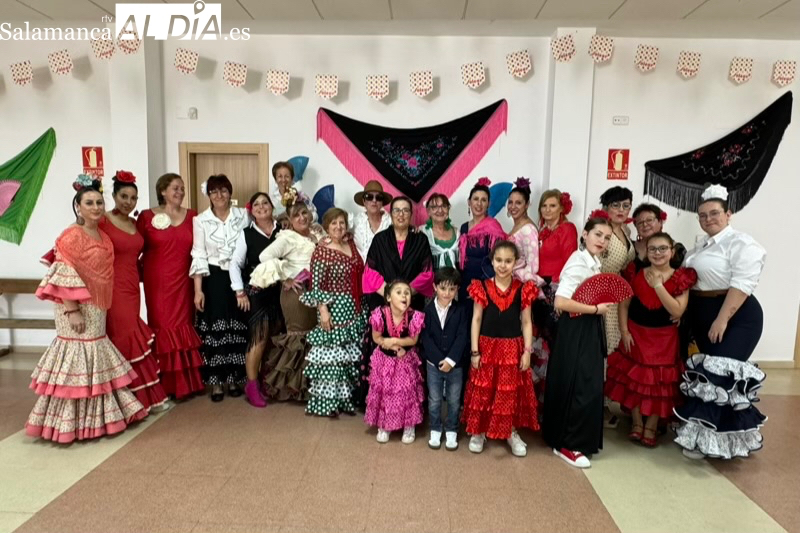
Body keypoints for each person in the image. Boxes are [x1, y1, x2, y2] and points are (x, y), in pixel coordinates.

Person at [27, 176, 147, 442]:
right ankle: (71, 423)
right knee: (77, 359)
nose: (95, 207)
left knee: (95, 356)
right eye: (89, 203)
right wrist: (72, 310)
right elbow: (63, 271)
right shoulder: (71, 235)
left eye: (98, 202)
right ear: (78, 207)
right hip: (76, 307)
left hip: (98, 303)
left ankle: (98, 419)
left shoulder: (103, 234)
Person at [676, 184, 767, 460]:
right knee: (713, 380)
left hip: (735, 316)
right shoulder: (700, 245)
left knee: (719, 376)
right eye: (702, 215)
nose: (708, 219)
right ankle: (728, 441)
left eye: (714, 213)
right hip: (704, 315)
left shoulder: (741, 243)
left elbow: (741, 285)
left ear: (729, 214)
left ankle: (704, 442)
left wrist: (722, 319)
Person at [605, 232, 695, 447]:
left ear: (672, 251)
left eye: (663, 248)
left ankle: (652, 426)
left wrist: (658, 285)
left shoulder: (681, 277)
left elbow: (677, 310)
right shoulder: (635, 271)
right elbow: (624, 304)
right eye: (653, 248)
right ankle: (636, 423)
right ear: (646, 252)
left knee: (658, 384)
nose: (657, 253)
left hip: (664, 338)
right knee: (635, 379)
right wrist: (624, 331)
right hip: (636, 333)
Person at [543, 213, 613, 468]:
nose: (602, 241)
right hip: (576, 328)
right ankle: (568, 444)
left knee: (587, 382)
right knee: (579, 384)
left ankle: (570, 439)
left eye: (607, 237)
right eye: (598, 235)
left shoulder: (592, 262)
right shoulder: (579, 261)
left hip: (586, 326)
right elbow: (561, 301)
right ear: (585, 235)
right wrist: (595, 310)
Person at [99, 171, 169, 412]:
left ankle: (138, 397)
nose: (128, 202)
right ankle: (122, 400)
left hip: (132, 287)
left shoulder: (133, 223)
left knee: (128, 333)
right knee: (123, 336)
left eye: (133, 198)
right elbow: (81, 240)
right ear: (114, 196)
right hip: (112, 287)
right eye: (124, 196)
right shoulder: (103, 220)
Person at [463, 241, 539, 457]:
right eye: (499, 260)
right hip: (487, 346)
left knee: (509, 392)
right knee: (484, 390)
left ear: (515, 263)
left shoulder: (523, 288)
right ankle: (479, 431)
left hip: (512, 348)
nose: (503, 265)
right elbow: (476, 319)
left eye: (508, 261)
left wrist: (527, 350)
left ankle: (510, 432)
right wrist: (475, 351)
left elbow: (526, 322)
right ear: (492, 261)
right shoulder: (482, 287)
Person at [357, 197, 434, 408]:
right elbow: (370, 271)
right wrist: (391, 296)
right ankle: (381, 406)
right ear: (391, 215)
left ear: (411, 215)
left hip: (411, 306)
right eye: (397, 211)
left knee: (408, 354)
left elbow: (427, 272)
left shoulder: (420, 240)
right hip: (383, 305)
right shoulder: (380, 239)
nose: (401, 214)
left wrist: (404, 297)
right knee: (384, 352)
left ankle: (410, 406)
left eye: (405, 211)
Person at [137, 173, 204, 399]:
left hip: (185, 280)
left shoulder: (193, 216)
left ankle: (186, 383)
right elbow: (135, 246)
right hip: (157, 282)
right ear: (162, 191)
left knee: (184, 323)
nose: (180, 192)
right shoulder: (146, 217)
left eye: (182, 188)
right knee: (162, 325)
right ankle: (162, 385)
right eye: (175, 188)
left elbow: (200, 250)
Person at [250, 202, 319, 401]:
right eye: (296, 216)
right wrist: (285, 278)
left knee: (312, 339)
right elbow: (265, 256)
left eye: (304, 213)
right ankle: (290, 388)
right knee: (298, 338)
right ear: (289, 220)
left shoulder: (316, 235)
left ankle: (308, 387)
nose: (302, 218)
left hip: (315, 293)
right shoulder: (288, 237)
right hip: (296, 293)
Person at [300, 208, 365, 417]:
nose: (338, 227)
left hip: (353, 308)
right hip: (333, 309)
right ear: (326, 227)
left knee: (347, 357)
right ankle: (326, 404)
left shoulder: (351, 246)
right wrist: (323, 310)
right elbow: (316, 285)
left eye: (342, 223)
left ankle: (346, 400)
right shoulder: (322, 251)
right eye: (334, 223)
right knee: (332, 358)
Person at [190, 175, 250, 402]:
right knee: (216, 330)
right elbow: (199, 254)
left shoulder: (243, 216)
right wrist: (198, 290)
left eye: (224, 190)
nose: (219, 195)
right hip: (213, 278)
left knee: (236, 328)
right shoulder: (200, 220)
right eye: (214, 192)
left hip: (238, 277)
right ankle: (216, 382)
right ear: (209, 195)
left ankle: (235, 378)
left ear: (230, 192)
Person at [230, 192, 282, 408]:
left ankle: (264, 381)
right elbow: (235, 264)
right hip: (257, 292)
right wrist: (239, 292)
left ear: (272, 206)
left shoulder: (283, 230)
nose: (262, 207)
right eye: (257, 204)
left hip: (280, 292)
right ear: (252, 210)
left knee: (274, 339)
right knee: (258, 340)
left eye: (265, 203)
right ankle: (251, 385)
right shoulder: (247, 234)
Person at [364, 279, 425, 444]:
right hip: (385, 360)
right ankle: (385, 425)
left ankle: (409, 425)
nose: (404, 295)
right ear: (389, 297)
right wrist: (388, 343)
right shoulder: (379, 314)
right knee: (385, 392)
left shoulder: (414, 316)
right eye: (399, 292)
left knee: (407, 392)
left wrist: (396, 343)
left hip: (405, 361)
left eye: (407, 292)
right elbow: (376, 337)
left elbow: (413, 340)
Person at [532, 189, 577, 400]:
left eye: (552, 205)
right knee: (540, 344)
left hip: (557, 291)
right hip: (540, 291)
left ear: (561, 208)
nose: (548, 210)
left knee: (554, 345)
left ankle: (554, 399)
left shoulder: (567, 229)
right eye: (544, 206)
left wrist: (560, 293)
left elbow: (570, 262)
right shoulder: (541, 232)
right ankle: (541, 400)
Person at [598, 186, 635, 428]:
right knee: (600, 352)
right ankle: (597, 406)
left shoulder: (627, 231)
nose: (621, 210)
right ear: (606, 208)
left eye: (625, 205)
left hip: (620, 298)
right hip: (601, 296)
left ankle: (605, 400)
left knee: (612, 351)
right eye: (615, 205)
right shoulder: (602, 230)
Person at [420, 267, 469, 450]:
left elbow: (462, 336)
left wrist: (450, 360)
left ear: (457, 289)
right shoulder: (427, 310)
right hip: (433, 364)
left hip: (455, 365)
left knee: (454, 399)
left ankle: (452, 428)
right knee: (434, 398)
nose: (447, 293)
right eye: (442, 288)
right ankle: (435, 427)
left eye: (451, 289)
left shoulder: (461, 310)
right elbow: (426, 337)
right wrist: (439, 360)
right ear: (434, 287)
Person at [458, 178, 507, 305]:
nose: (479, 204)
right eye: (475, 199)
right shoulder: (464, 227)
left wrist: (485, 286)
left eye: (483, 200)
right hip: (465, 283)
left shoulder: (493, 227)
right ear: (469, 202)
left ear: (488, 204)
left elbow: (498, 260)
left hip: (485, 283)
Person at [506, 178, 543, 286]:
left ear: (526, 205)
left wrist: (517, 281)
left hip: (520, 285)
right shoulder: (517, 226)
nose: (513, 207)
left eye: (518, 203)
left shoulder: (528, 229)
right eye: (510, 202)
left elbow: (533, 266)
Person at [351, 180, 392, 261]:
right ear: (364, 201)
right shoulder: (355, 222)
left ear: (382, 202)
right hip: (362, 271)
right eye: (369, 197)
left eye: (378, 197)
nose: (374, 200)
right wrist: (321, 238)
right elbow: (336, 232)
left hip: (388, 271)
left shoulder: (391, 222)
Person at [269, 161, 317, 226]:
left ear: (292, 178)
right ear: (275, 179)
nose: (283, 180)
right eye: (280, 176)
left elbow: (314, 215)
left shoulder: (301, 196)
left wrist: (306, 215)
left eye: (287, 176)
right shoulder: (271, 198)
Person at [419, 194, 460, 270]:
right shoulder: (422, 232)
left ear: (448, 209)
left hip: (456, 280)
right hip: (431, 281)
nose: (440, 210)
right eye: (434, 207)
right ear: (428, 211)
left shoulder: (457, 232)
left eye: (444, 206)